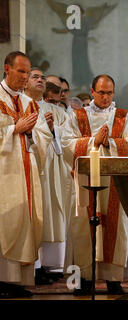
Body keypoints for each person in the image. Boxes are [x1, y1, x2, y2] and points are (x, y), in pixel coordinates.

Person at [62, 74, 128, 295]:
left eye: (109, 93)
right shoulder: (77, 116)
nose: (105, 97)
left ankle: (113, 281)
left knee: (115, 229)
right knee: (82, 227)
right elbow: (67, 144)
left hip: (116, 184)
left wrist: (109, 142)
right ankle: (84, 280)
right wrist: (92, 142)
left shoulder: (123, 118)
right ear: (93, 91)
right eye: (101, 93)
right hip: (84, 183)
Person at [0, 52, 52, 298]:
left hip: (27, 170)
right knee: (6, 222)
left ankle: (17, 281)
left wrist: (32, 133)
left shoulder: (30, 103)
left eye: (27, 72)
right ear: (6, 69)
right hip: (4, 175)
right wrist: (14, 129)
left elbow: (43, 136)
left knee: (26, 221)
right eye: (21, 71)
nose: (25, 77)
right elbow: (13, 131)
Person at [25, 68, 72, 285]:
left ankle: (49, 266)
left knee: (51, 217)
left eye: (43, 77)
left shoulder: (57, 111)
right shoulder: (20, 105)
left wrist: (53, 131)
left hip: (52, 171)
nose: (41, 80)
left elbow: (71, 138)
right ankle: (32, 266)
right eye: (35, 76)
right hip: (29, 168)